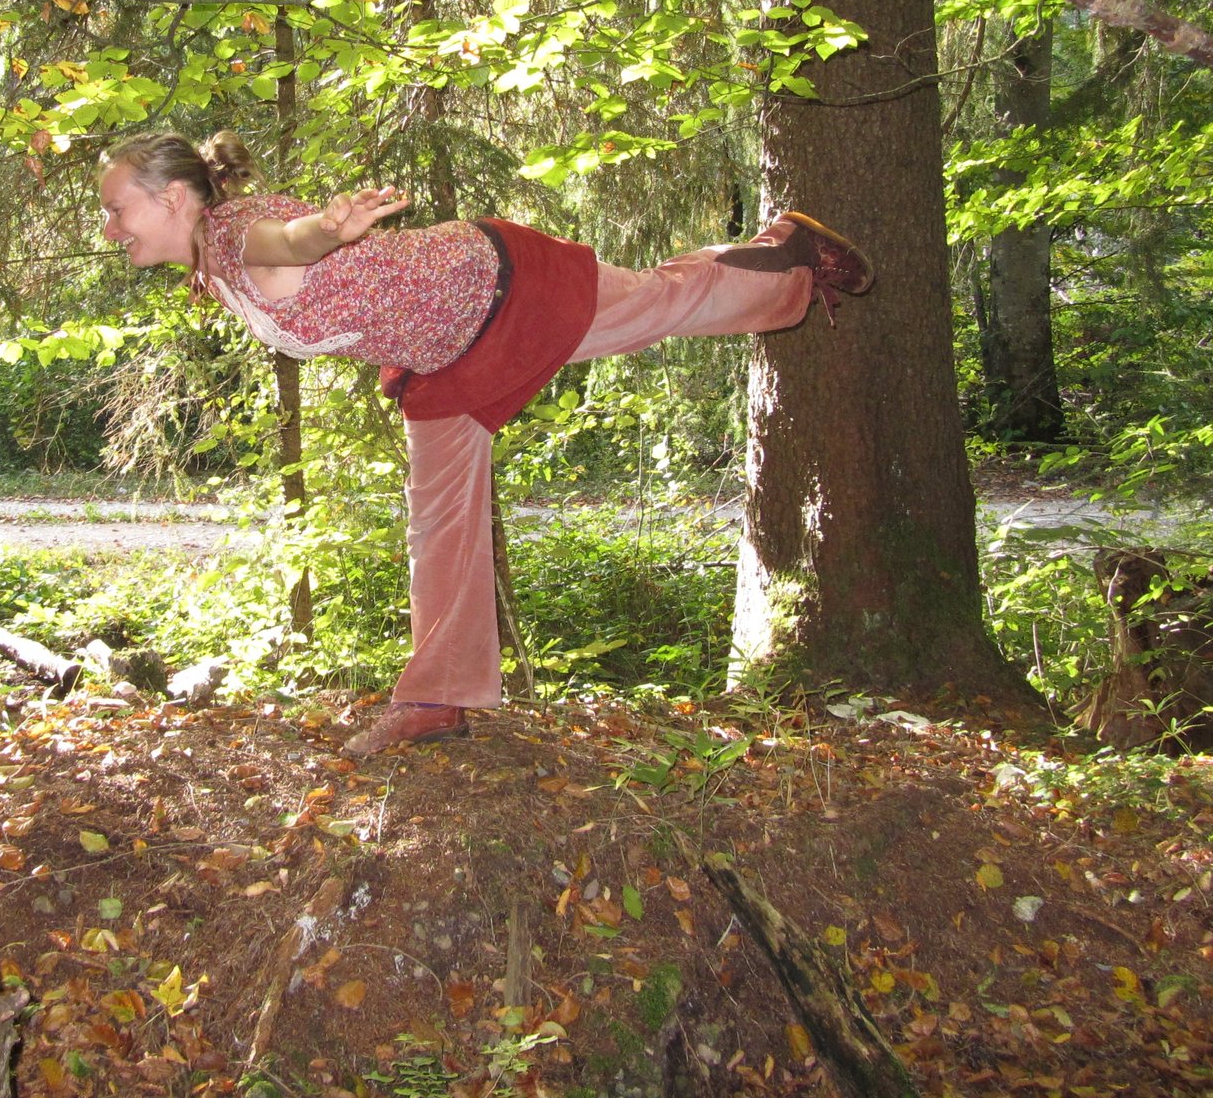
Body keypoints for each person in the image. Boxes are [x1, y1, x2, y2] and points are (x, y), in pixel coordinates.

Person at [98, 131, 874, 756]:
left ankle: (786, 250)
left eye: (115, 208)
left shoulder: (233, 234)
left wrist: (325, 231)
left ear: (172, 199)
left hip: (496, 292)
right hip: (445, 354)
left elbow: (286, 243)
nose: (109, 228)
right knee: (437, 522)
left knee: (655, 305)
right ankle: (437, 698)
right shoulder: (214, 265)